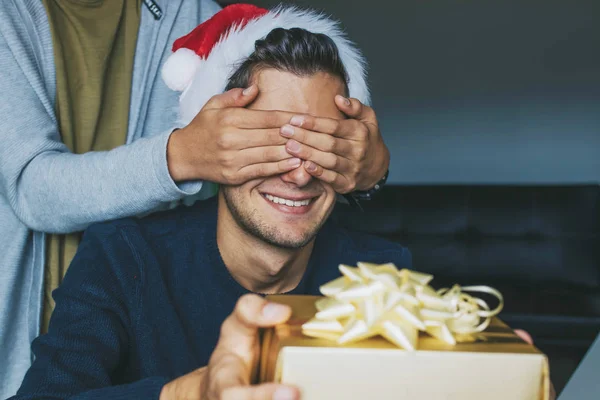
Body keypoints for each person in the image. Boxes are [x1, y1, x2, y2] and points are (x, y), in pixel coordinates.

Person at [9, 6, 410, 400]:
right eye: (267, 144)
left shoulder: (382, 276)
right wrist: (188, 394)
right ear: (217, 144)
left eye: (321, 147)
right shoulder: (122, 260)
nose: (299, 175)